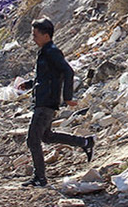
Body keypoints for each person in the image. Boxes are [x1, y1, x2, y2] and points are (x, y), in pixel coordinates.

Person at [20, 16, 95, 187]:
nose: (33, 38)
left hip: (47, 102)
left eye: (35, 35)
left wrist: (67, 97)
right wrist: (29, 84)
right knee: (46, 136)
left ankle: (40, 177)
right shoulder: (45, 52)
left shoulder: (52, 51)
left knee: (33, 139)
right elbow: (46, 77)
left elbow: (68, 72)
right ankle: (86, 142)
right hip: (43, 100)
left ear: (46, 35)